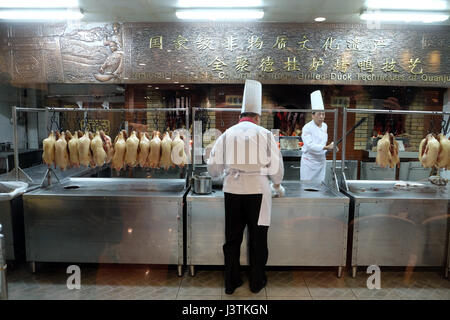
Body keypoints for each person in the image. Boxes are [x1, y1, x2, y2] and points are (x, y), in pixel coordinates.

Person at [207, 80, 285, 294]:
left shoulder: (227, 133)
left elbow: (213, 168)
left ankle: (231, 283)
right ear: (257, 117)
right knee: (258, 240)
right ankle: (257, 282)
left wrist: (222, 173)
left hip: (232, 191)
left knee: (232, 239)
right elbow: (276, 168)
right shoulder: (266, 134)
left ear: (240, 116)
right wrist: (277, 185)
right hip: (258, 192)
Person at [300, 90, 335, 182]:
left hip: (320, 162)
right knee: (307, 188)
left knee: (319, 187)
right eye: (319, 114)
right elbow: (310, 146)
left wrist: (331, 148)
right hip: (309, 163)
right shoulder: (307, 128)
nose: (322, 117)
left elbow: (323, 142)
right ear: (313, 115)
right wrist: (326, 147)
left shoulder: (325, 126)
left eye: (323, 114)